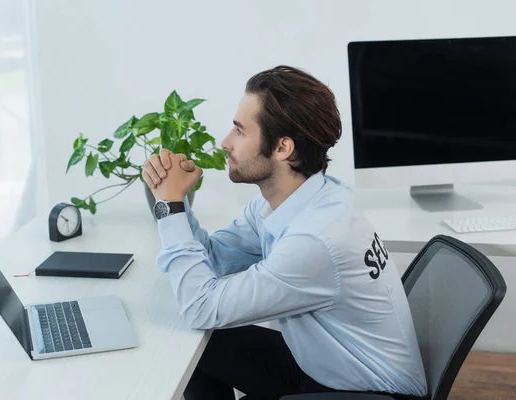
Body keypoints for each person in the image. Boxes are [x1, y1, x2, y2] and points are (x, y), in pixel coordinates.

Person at [142, 65, 427, 400]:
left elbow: (200, 307)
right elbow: (215, 259)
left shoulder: (314, 240)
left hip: (367, 393)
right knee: (199, 346)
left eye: (239, 131)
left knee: (197, 327)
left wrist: (170, 206)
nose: (225, 143)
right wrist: (176, 201)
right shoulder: (298, 199)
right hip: (323, 366)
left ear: (282, 148)